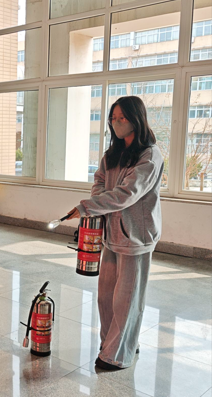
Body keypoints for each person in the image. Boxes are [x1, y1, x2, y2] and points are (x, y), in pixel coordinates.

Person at [65, 96, 164, 370]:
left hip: (136, 236)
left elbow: (127, 194)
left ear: (136, 119)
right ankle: (114, 342)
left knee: (127, 299)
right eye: (113, 118)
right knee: (106, 297)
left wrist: (87, 207)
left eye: (122, 118)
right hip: (111, 235)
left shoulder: (150, 156)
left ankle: (118, 354)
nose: (116, 123)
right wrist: (97, 199)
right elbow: (100, 180)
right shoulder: (113, 153)